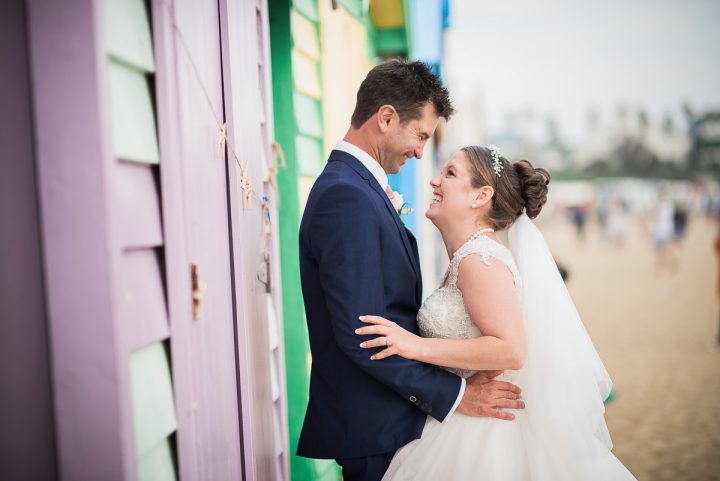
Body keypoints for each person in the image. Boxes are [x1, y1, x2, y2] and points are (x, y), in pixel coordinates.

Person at [297, 60, 524, 481]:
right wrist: (457, 395)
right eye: (420, 135)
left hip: (395, 422)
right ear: (386, 118)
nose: (422, 152)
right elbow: (364, 335)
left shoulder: (356, 189)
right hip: (375, 429)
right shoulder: (346, 196)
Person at [356, 146, 637, 480]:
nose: (434, 181)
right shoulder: (470, 257)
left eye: (449, 173)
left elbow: (511, 349)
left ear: (481, 196)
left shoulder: (480, 260)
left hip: (487, 434)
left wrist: (413, 345)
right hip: (469, 415)